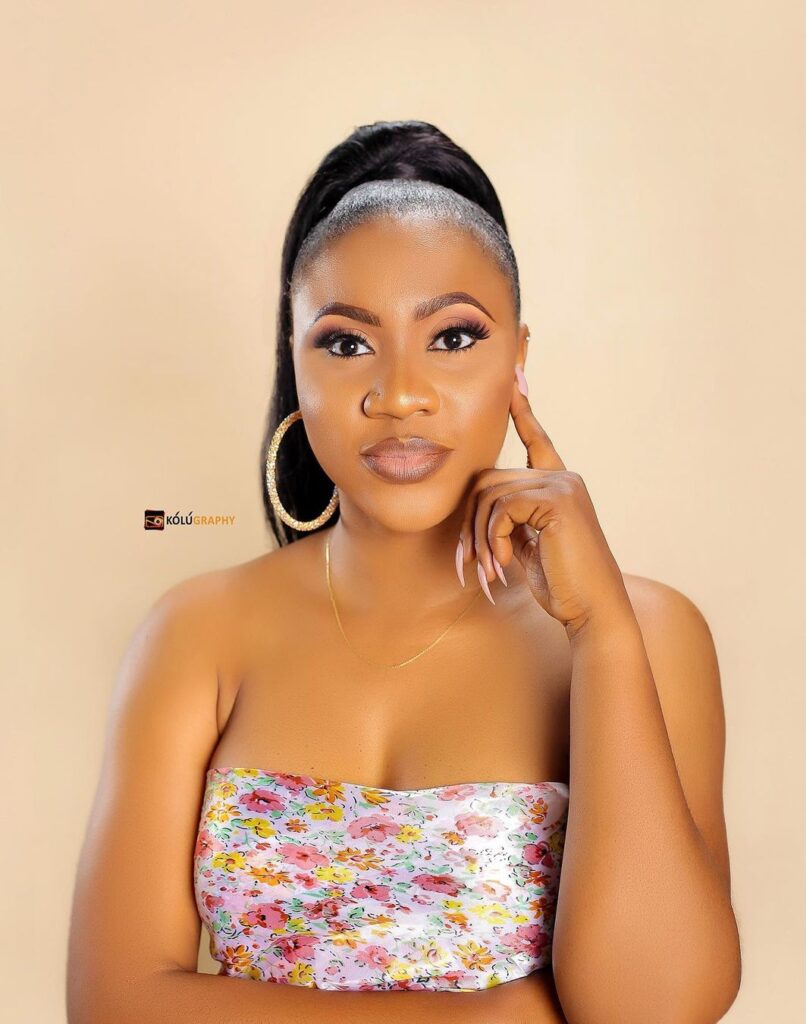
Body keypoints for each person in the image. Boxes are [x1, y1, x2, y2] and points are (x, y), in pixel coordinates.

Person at [66, 120, 741, 1023]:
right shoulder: (197, 633)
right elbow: (113, 1005)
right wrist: (491, 1017)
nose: (399, 395)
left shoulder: (647, 634)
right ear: (296, 367)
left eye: (452, 337)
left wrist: (599, 632)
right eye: (346, 344)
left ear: (517, 360)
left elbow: (652, 1011)